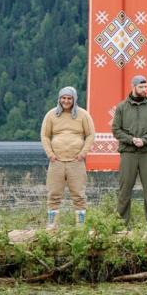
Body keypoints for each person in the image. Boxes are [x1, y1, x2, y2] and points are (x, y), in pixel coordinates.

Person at [40, 86, 96, 228]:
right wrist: (50, 154)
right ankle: (52, 225)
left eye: (69, 98)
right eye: (63, 98)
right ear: (59, 99)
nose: (66, 101)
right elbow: (45, 135)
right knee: (53, 194)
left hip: (76, 161)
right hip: (56, 161)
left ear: (74, 99)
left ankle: (80, 226)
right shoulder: (51, 115)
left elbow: (90, 134)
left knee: (79, 194)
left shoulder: (83, 115)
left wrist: (83, 153)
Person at [112, 75, 147, 224]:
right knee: (125, 189)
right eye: (141, 87)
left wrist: (144, 140)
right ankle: (121, 222)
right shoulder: (122, 107)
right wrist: (131, 140)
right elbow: (116, 129)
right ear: (133, 87)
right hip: (128, 152)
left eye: (145, 87)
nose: (144, 90)